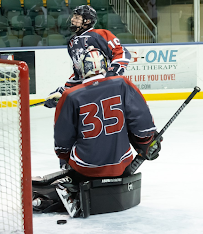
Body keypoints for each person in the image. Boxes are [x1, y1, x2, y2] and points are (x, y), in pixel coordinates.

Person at [33, 47, 159, 217]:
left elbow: (63, 139)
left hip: (85, 168)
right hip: (120, 165)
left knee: (71, 159)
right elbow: (142, 123)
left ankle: (57, 189)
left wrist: (64, 160)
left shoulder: (71, 96)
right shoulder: (122, 83)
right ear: (105, 65)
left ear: (81, 69)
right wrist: (146, 143)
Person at [44, 5, 131, 109]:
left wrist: (113, 72)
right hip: (90, 92)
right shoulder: (71, 42)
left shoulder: (100, 34)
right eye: (73, 17)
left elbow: (122, 53)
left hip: (108, 88)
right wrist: (63, 91)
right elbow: (79, 73)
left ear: (87, 21)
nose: (72, 19)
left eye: (77, 17)